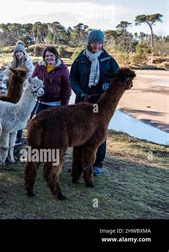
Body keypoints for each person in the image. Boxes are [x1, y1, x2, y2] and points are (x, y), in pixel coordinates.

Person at [70, 29, 119, 176]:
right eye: (94, 43)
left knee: (99, 133)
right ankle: (77, 164)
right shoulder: (80, 60)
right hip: (83, 101)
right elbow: (73, 79)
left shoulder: (108, 60)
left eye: (99, 43)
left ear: (102, 43)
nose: (97, 46)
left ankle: (97, 164)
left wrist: (108, 83)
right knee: (79, 132)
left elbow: (117, 77)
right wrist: (80, 92)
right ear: (89, 43)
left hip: (100, 102)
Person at [3, 42, 35, 145]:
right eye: (17, 52)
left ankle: (19, 136)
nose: (19, 54)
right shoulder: (12, 63)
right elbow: (6, 73)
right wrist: (6, 78)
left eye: (21, 52)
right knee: (12, 111)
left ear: (24, 53)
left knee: (21, 112)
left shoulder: (28, 63)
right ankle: (11, 133)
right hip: (12, 91)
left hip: (23, 91)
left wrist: (20, 82)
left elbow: (30, 77)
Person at [31, 46, 71, 114]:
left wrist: (64, 106)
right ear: (44, 57)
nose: (49, 57)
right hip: (40, 102)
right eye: (47, 56)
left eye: (51, 55)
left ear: (56, 56)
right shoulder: (39, 67)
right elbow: (32, 81)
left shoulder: (63, 68)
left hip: (55, 104)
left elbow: (67, 88)